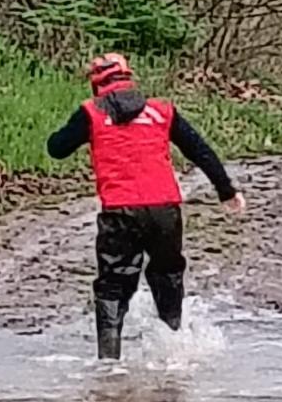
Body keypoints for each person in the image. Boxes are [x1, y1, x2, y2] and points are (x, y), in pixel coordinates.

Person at [47, 53, 246, 359]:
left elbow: (56, 149)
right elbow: (200, 151)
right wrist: (226, 191)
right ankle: (174, 350)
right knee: (168, 277)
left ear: (96, 84)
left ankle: (109, 364)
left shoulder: (90, 114)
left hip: (120, 211)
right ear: (130, 78)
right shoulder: (161, 112)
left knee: (113, 286)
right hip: (165, 210)